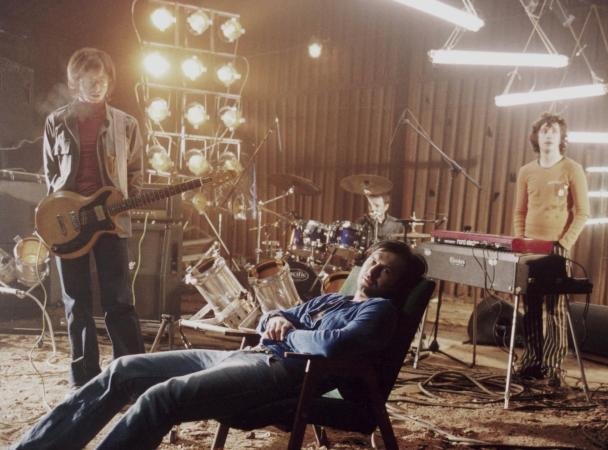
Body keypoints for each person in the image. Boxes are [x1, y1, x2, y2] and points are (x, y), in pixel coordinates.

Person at [12, 240, 427, 450]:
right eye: (374, 261)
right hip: (245, 355)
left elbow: (333, 346)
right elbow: (274, 314)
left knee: (162, 397)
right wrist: (277, 321)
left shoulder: (380, 312)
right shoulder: (335, 299)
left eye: (387, 271)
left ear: (398, 284)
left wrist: (288, 333)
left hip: (278, 373)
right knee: (123, 370)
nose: (374, 270)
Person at [43, 47, 145, 388]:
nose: (96, 86)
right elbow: (50, 174)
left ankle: (132, 375)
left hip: (110, 222)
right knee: (77, 302)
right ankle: (84, 380)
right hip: (68, 224)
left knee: (119, 301)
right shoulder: (56, 121)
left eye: (101, 80)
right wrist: (58, 214)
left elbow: (136, 173)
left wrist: (124, 201)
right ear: (75, 82)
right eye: (89, 80)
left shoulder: (126, 124)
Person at [512, 112, 589, 387]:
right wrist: (520, 241)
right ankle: (532, 361)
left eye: (554, 131)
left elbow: (583, 212)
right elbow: (520, 211)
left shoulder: (572, 169)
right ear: (536, 137)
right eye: (544, 131)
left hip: (557, 249)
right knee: (531, 306)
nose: (548, 135)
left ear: (561, 138)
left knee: (555, 308)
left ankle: (553, 365)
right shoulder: (526, 171)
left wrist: (564, 243)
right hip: (529, 249)